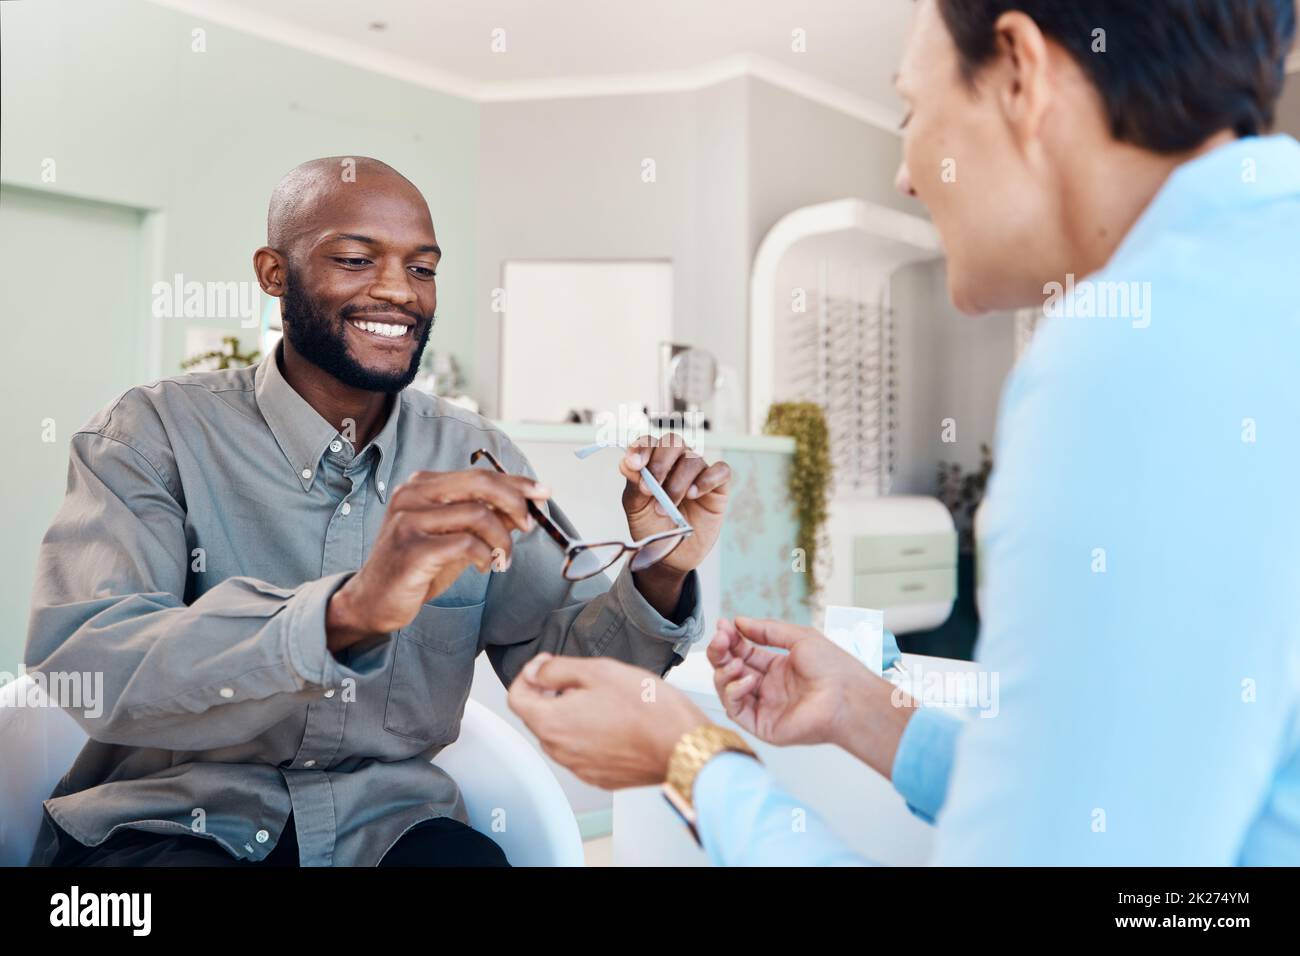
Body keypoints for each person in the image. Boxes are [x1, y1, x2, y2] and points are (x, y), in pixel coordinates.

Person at [509, 0, 1300, 865]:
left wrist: (693, 758)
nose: (906, 174)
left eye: (910, 112)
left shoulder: (1128, 355)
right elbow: (1113, 811)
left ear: (1019, 72)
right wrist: (861, 709)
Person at [24, 156, 732, 867]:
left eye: (422, 270)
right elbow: (95, 661)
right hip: (172, 827)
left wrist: (661, 571)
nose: (398, 291)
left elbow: (571, 679)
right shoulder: (153, 434)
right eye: (357, 259)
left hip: (392, 832)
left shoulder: (478, 455)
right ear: (274, 273)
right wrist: (348, 613)